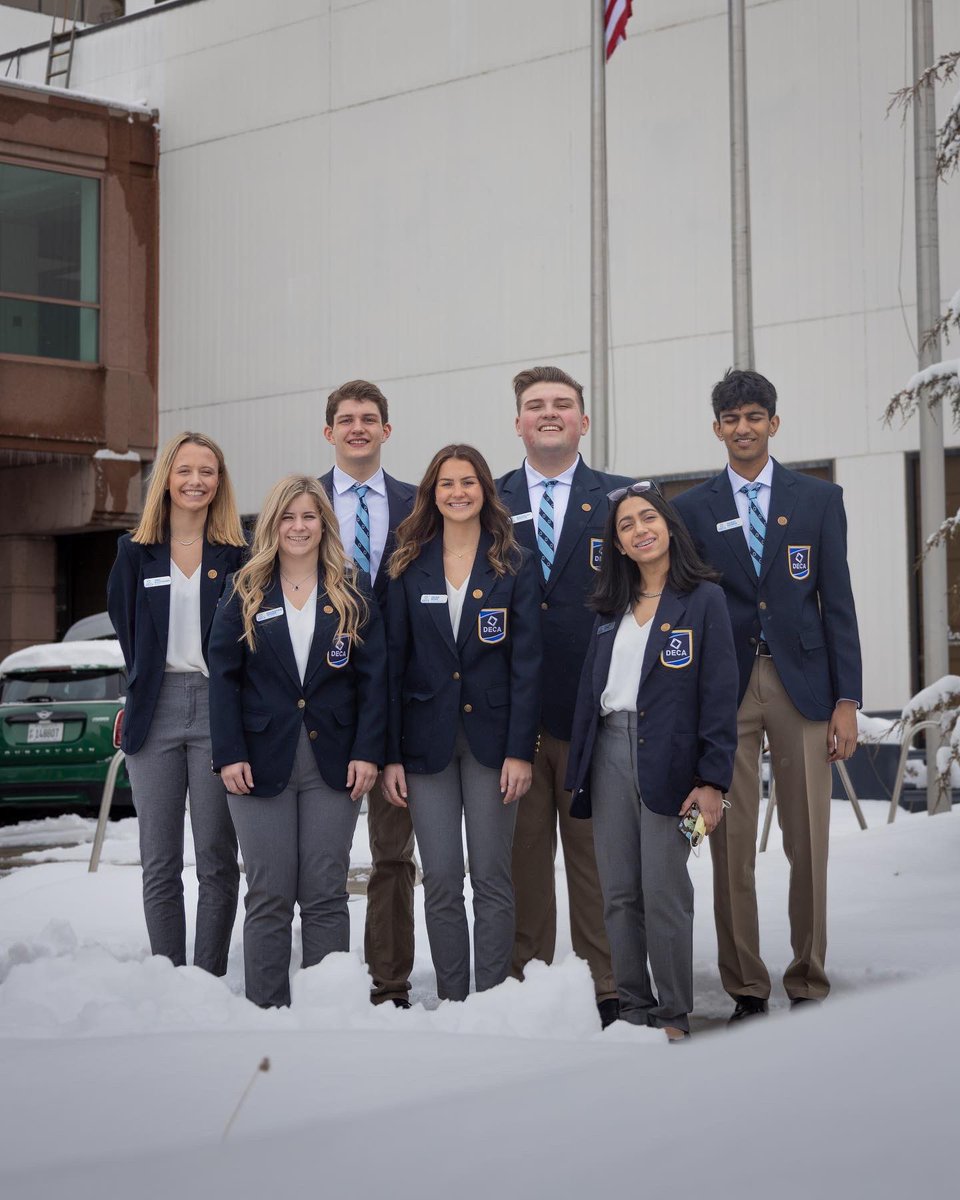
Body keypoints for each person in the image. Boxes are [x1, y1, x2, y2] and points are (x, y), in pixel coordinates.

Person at [673, 369, 862, 1020]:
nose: (743, 428)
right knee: (727, 837)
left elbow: (837, 603)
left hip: (803, 687)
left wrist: (848, 701)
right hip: (723, 688)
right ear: (717, 428)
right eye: (731, 418)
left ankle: (808, 977)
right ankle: (746, 986)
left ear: (773, 423)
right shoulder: (691, 509)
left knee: (808, 839)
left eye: (755, 416)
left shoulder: (817, 500)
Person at [566, 482, 739, 1040]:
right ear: (616, 544)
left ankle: (672, 1017)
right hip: (609, 753)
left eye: (648, 519)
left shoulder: (705, 598)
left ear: (668, 526)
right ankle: (633, 1013)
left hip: (671, 760)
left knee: (665, 890)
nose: (639, 530)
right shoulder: (608, 606)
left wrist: (712, 781)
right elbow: (592, 691)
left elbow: (718, 695)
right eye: (625, 525)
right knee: (617, 893)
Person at [207, 476, 387, 1009]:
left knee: (326, 893)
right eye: (287, 517)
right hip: (258, 763)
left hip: (335, 762)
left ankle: (327, 1011)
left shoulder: (352, 591)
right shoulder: (244, 590)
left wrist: (368, 751)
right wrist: (229, 753)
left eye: (309, 516)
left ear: (324, 525)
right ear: (272, 525)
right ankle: (267, 1010)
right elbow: (223, 677)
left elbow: (374, 682)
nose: (298, 527)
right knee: (268, 894)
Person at [382, 445, 541, 1002]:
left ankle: (492, 999)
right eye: (446, 483)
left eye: (468, 482)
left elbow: (528, 665)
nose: (457, 492)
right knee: (443, 878)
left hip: (493, 745)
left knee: (492, 877)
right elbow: (391, 664)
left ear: (484, 491)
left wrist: (521, 750)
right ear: (431, 493)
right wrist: (391, 755)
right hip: (424, 745)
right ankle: (453, 998)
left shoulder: (515, 560)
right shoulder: (404, 562)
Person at [496, 365, 631, 1027]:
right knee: (522, 862)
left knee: (594, 860)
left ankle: (608, 987)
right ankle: (527, 984)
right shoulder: (484, 501)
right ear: (517, 421)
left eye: (562, 404)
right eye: (535, 405)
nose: (548, 413)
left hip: (593, 714)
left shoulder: (622, 501)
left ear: (583, 418)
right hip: (515, 726)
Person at [106, 431, 245, 975]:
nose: (195, 481)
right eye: (185, 470)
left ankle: (207, 976)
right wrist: (136, 691)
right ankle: (166, 975)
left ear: (219, 480)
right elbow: (126, 627)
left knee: (215, 857)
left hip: (219, 709)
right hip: (155, 710)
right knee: (159, 860)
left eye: (207, 471)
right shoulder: (134, 552)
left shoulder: (239, 552)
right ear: (167, 477)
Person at [319, 379, 417, 1008]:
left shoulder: (419, 504)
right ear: (328, 432)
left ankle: (390, 981)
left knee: (391, 853)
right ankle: (319, 976)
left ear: (387, 430)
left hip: (401, 700)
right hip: (320, 702)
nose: (358, 428)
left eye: (370, 418)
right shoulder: (302, 504)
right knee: (318, 856)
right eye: (346, 419)